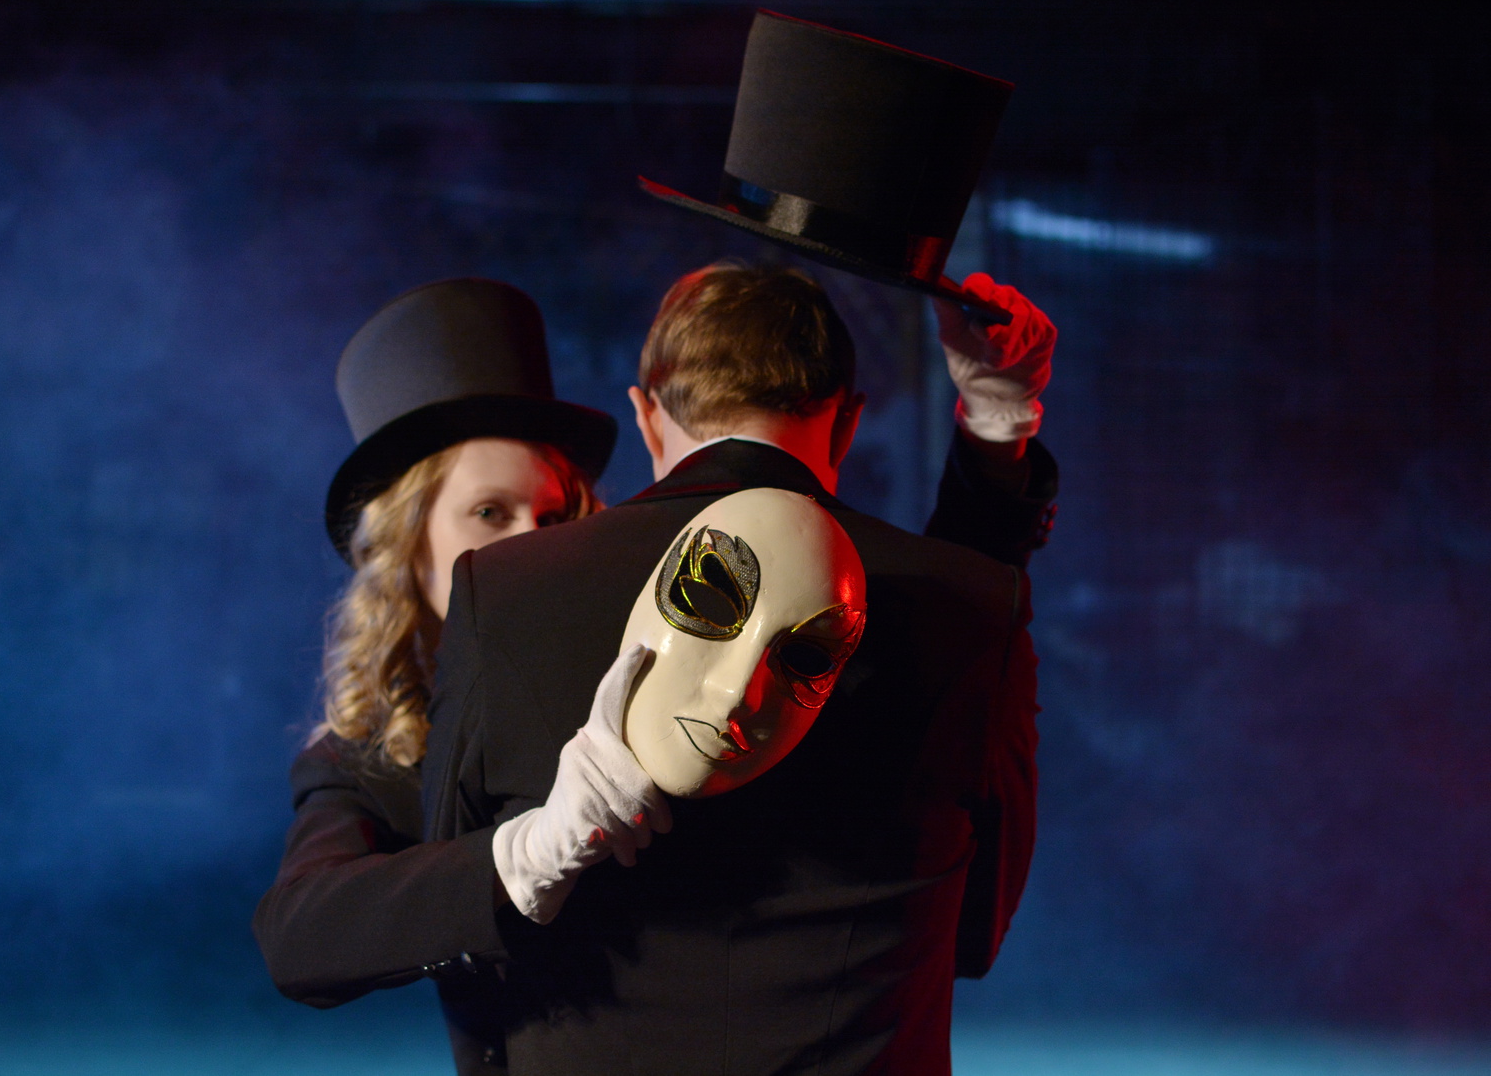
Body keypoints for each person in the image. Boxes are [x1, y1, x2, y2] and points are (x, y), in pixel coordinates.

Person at [421, 261, 1057, 1074]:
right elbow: (972, 933)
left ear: (648, 417)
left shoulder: (500, 590)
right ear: (850, 421)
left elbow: (462, 931)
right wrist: (999, 427)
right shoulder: (973, 610)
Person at [253, 278, 615, 1010]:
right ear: (408, 547)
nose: (529, 544)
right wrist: (521, 858)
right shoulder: (366, 757)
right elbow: (299, 936)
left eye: (550, 517)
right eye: (490, 512)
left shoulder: (640, 685)